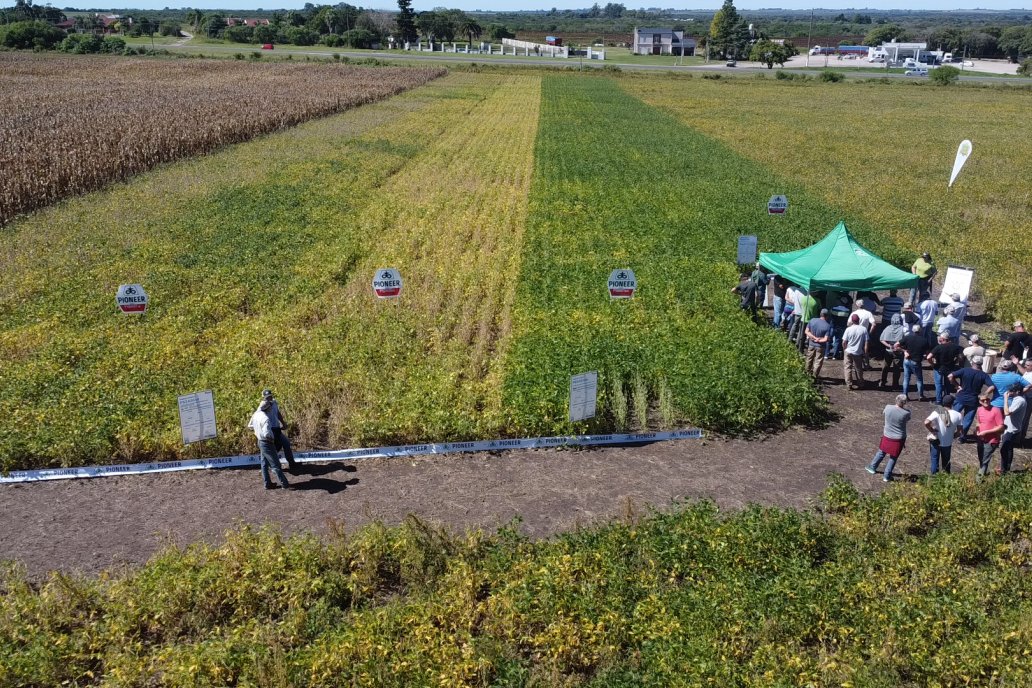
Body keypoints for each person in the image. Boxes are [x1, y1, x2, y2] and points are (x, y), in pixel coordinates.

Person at [948, 355, 994, 442]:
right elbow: (992, 386)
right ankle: (961, 437)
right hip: (972, 400)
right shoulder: (983, 375)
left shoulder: (965, 370)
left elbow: (950, 376)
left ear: (972, 362)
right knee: (967, 419)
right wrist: (985, 394)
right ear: (981, 364)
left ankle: (949, 432)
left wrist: (957, 386)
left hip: (961, 397)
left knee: (953, 415)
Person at [867, 394, 911, 482]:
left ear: (896, 400)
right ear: (905, 402)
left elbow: (884, 413)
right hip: (898, 438)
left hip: (887, 435)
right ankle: (887, 476)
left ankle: (872, 467)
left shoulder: (888, 407)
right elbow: (907, 420)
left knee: (881, 452)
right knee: (893, 457)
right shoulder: (906, 413)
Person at [248, 399, 290, 490]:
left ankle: (267, 483)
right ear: (268, 408)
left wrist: (257, 431)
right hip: (267, 442)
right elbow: (267, 433)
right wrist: (271, 439)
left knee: (264, 463)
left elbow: (250, 426)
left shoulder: (256, 415)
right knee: (275, 464)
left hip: (260, 441)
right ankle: (284, 483)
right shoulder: (266, 419)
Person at [924, 393, 961, 474]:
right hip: (947, 442)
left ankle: (934, 478)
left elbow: (926, 422)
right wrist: (955, 434)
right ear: (952, 403)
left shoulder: (937, 412)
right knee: (946, 462)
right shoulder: (958, 415)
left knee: (934, 460)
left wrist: (932, 430)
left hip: (936, 441)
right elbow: (959, 431)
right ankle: (946, 478)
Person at [262, 389, 297, 472]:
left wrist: (283, 423)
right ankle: (271, 465)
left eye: (270, 396)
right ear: (264, 398)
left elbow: (278, 413)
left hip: (277, 428)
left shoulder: (274, 402)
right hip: (270, 430)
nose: (269, 398)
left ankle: (292, 464)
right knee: (275, 448)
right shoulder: (263, 406)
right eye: (267, 397)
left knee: (286, 444)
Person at [974, 393, 1005, 481]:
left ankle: (978, 481)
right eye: (983, 400)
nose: (985, 401)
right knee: (982, 459)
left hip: (992, 440)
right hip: (981, 438)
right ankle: (984, 476)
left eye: (987, 399)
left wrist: (986, 432)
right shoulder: (979, 410)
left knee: (984, 461)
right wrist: (977, 430)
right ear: (980, 402)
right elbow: (978, 422)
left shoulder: (996, 410)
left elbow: (1001, 426)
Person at [927, 333, 963, 405]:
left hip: (939, 368)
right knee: (948, 384)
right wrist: (955, 361)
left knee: (939, 384)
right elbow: (961, 357)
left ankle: (939, 401)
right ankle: (947, 399)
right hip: (950, 368)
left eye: (940, 338)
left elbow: (928, 357)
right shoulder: (956, 347)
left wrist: (932, 364)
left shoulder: (938, 347)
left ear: (943, 339)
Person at [1001, 383, 1027, 473]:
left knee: (1005, 450)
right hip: (1011, 428)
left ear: (1017, 391)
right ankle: (1005, 469)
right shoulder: (1017, 399)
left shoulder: (1019, 400)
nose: (1009, 392)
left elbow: (1007, 412)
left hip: (1012, 430)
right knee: (1008, 449)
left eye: (1011, 390)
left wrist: (1005, 399)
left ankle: (1004, 470)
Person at [899, 324, 930, 401]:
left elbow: (896, 345)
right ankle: (920, 395)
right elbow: (927, 353)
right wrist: (923, 356)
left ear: (913, 330)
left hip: (906, 360)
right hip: (916, 362)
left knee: (906, 379)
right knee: (919, 379)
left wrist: (904, 351)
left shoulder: (907, 338)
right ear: (920, 331)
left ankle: (905, 395)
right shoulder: (924, 340)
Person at [879, 313, 907, 389]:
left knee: (885, 367)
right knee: (897, 368)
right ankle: (895, 384)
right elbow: (906, 340)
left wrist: (889, 346)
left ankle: (882, 382)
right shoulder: (903, 329)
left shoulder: (888, 328)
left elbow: (881, 339)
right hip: (898, 351)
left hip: (888, 350)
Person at [843, 314, 868, 390]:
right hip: (858, 352)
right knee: (858, 368)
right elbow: (866, 342)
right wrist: (865, 353)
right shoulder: (863, 329)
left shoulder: (848, 329)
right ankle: (860, 383)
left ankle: (849, 384)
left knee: (847, 368)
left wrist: (845, 349)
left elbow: (844, 342)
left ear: (852, 321)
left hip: (848, 351)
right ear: (859, 320)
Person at [804, 308, 832, 378]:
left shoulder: (812, 320)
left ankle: (807, 374)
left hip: (811, 344)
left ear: (820, 314)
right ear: (827, 316)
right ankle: (814, 376)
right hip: (820, 346)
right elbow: (826, 339)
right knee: (818, 361)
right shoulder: (827, 326)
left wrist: (813, 337)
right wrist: (818, 340)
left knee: (809, 359)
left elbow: (806, 331)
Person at [827, 295, 852, 360]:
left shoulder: (834, 308)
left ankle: (826, 354)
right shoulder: (847, 311)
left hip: (833, 326)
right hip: (841, 327)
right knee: (837, 341)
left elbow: (830, 314)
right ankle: (835, 356)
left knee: (829, 340)